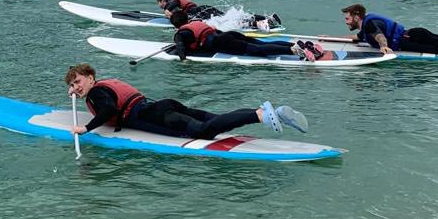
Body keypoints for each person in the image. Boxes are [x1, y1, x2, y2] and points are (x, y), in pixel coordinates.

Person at [64, 64, 302, 140]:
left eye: (78, 82)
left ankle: (259, 115)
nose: (76, 88)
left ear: (90, 77)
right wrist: (78, 94)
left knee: (204, 131)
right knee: (214, 120)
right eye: (72, 86)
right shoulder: (103, 86)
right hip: (163, 105)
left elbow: (107, 110)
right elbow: (108, 103)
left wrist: (84, 129)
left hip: (156, 115)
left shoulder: (96, 93)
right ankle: (270, 113)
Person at [167, 9, 296, 59]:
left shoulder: (181, 33)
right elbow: (215, 31)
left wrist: (183, 61)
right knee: (261, 44)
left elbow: (180, 46)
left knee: (258, 49)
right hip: (229, 34)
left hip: (223, 41)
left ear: (175, 25)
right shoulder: (196, 23)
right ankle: (295, 45)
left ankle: (294, 50)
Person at [154, 0, 283, 31]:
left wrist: (168, 14)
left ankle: (260, 24)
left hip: (200, 13)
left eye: (159, 2)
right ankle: (267, 18)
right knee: (229, 17)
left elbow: (171, 7)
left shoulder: (170, 1)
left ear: (163, 0)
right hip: (205, 9)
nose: (159, 5)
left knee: (226, 22)